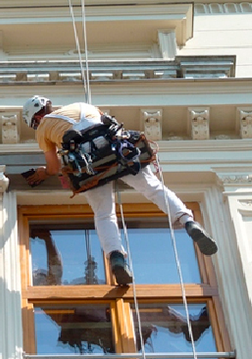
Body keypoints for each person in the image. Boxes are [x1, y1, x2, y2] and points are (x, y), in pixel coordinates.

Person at [22, 96, 218, 286]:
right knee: (153, 188)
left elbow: (54, 168)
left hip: (90, 167)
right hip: (119, 151)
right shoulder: (82, 105)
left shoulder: (44, 127)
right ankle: (188, 221)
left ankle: (116, 257)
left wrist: (43, 173)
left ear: (36, 118)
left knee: (104, 213)